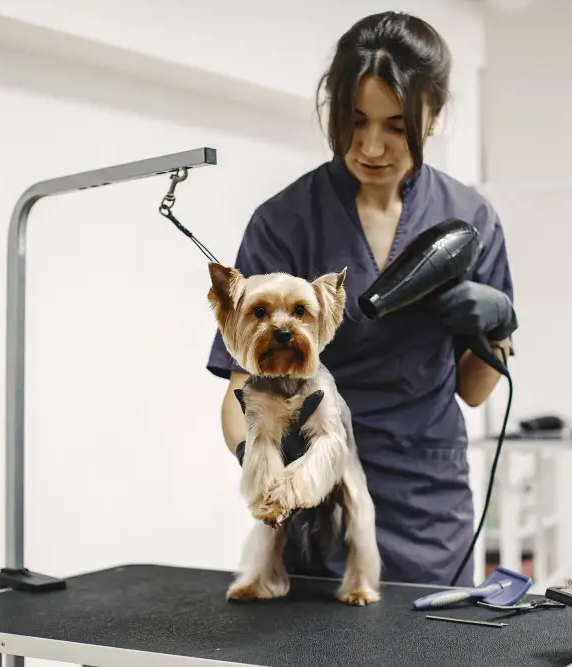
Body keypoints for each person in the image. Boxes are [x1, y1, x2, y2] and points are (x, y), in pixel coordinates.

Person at [205, 11, 518, 588]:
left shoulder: (471, 218)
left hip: (427, 498)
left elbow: (472, 390)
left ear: (435, 116)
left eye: (398, 127)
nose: (371, 146)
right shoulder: (285, 221)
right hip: (317, 500)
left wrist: (497, 325)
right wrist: (267, 464)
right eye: (354, 122)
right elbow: (238, 391)